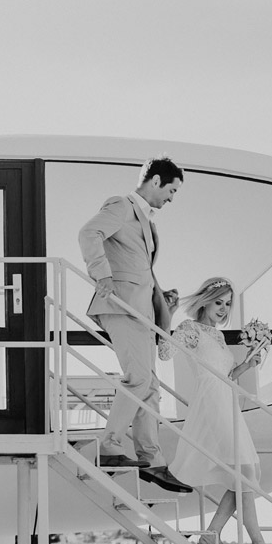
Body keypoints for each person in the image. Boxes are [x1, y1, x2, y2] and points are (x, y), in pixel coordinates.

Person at [78, 155, 191, 494]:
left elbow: (140, 268)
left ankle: (152, 460)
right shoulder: (121, 205)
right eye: (171, 190)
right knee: (139, 379)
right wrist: (103, 276)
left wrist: (160, 298)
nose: (172, 199)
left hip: (141, 309)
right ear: (155, 180)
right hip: (120, 305)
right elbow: (88, 233)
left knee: (151, 387)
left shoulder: (146, 220)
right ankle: (109, 446)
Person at [159, 277, 272, 544]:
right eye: (218, 302)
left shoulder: (218, 335)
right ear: (205, 301)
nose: (223, 310)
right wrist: (168, 317)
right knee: (245, 474)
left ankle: (212, 534)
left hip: (227, 401)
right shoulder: (190, 329)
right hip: (211, 404)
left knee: (243, 475)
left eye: (227, 305)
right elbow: (163, 354)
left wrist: (246, 367)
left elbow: (224, 375)